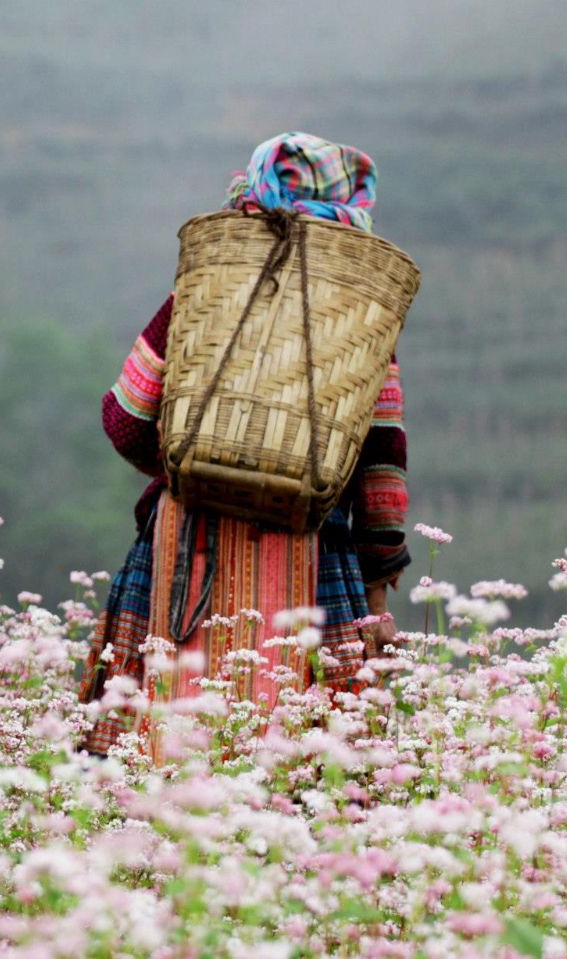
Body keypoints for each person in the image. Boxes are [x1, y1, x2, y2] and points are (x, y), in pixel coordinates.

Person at [79, 132, 410, 757]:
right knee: (311, 769)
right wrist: (376, 595)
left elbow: (125, 415)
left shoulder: (203, 291)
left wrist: (196, 468)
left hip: (185, 547)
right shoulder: (365, 319)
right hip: (316, 553)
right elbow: (381, 474)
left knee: (153, 752)